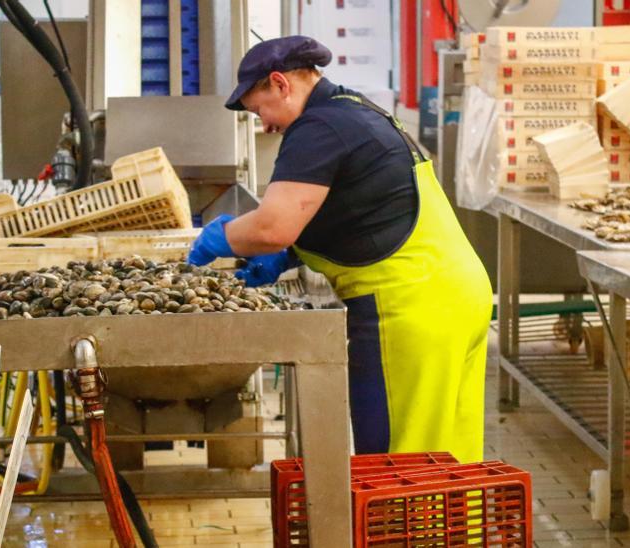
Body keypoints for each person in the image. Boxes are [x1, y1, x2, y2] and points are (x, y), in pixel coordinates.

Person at [186, 36, 492, 463]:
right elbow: (359, 206)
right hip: (459, 296)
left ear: (280, 84)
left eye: (260, 110)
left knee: (397, 464)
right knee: (449, 460)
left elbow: (273, 226)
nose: (265, 124)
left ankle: (403, 532)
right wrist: (291, 254)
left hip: (406, 310)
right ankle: (457, 533)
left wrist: (219, 237)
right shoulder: (357, 110)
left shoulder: (319, 127)